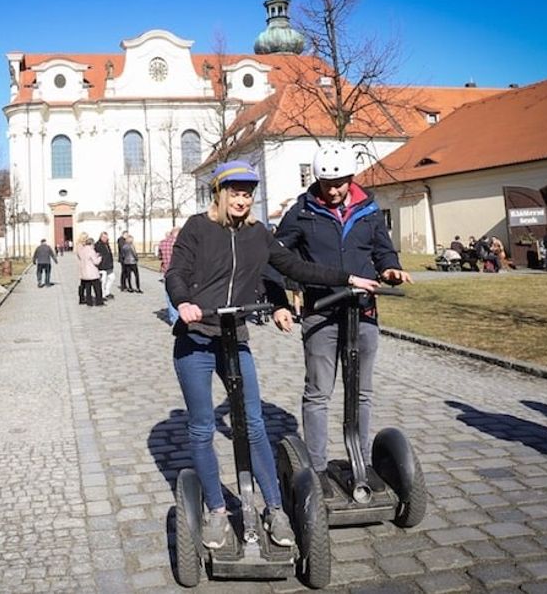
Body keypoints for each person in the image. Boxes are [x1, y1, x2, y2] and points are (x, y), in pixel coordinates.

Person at [167, 159, 380, 551]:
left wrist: (347, 278)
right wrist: (182, 302)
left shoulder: (258, 234)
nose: (242, 199)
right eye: (235, 192)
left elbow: (296, 266)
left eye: (248, 193)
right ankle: (216, 510)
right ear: (220, 193)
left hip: (235, 338)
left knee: (253, 423)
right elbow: (175, 272)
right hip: (195, 339)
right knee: (200, 427)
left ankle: (274, 508)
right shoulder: (197, 228)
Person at [274, 140, 413, 499]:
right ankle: (317, 468)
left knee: (362, 392)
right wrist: (284, 293)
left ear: (351, 178)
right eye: (326, 184)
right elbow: (277, 254)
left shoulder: (368, 209)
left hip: (363, 312)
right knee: (318, 392)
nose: (333, 191)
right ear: (317, 180)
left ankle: (361, 462)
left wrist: (391, 269)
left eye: (339, 183)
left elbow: (382, 250)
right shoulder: (302, 211)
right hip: (322, 312)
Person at [157, 226, 181, 324]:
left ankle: (174, 318)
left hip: (167, 272)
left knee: (169, 296)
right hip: (180, 271)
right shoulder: (180, 243)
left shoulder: (162, 243)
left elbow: (159, 257)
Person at [76, 234, 104, 306]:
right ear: (92, 244)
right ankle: (99, 301)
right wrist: (100, 257)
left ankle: (89, 302)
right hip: (92, 272)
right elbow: (96, 262)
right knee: (97, 288)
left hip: (85, 272)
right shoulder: (91, 251)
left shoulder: (83, 250)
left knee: (88, 288)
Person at [94, 232, 116, 300]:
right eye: (104, 237)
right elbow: (97, 255)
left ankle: (107, 292)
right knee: (103, 281)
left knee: (112, 278)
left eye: (106, 237)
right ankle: (102, 295)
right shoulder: (98, 245)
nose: (105, 239)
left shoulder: (107, 244)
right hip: (102, 266)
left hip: (109, 265)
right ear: (100, 237)